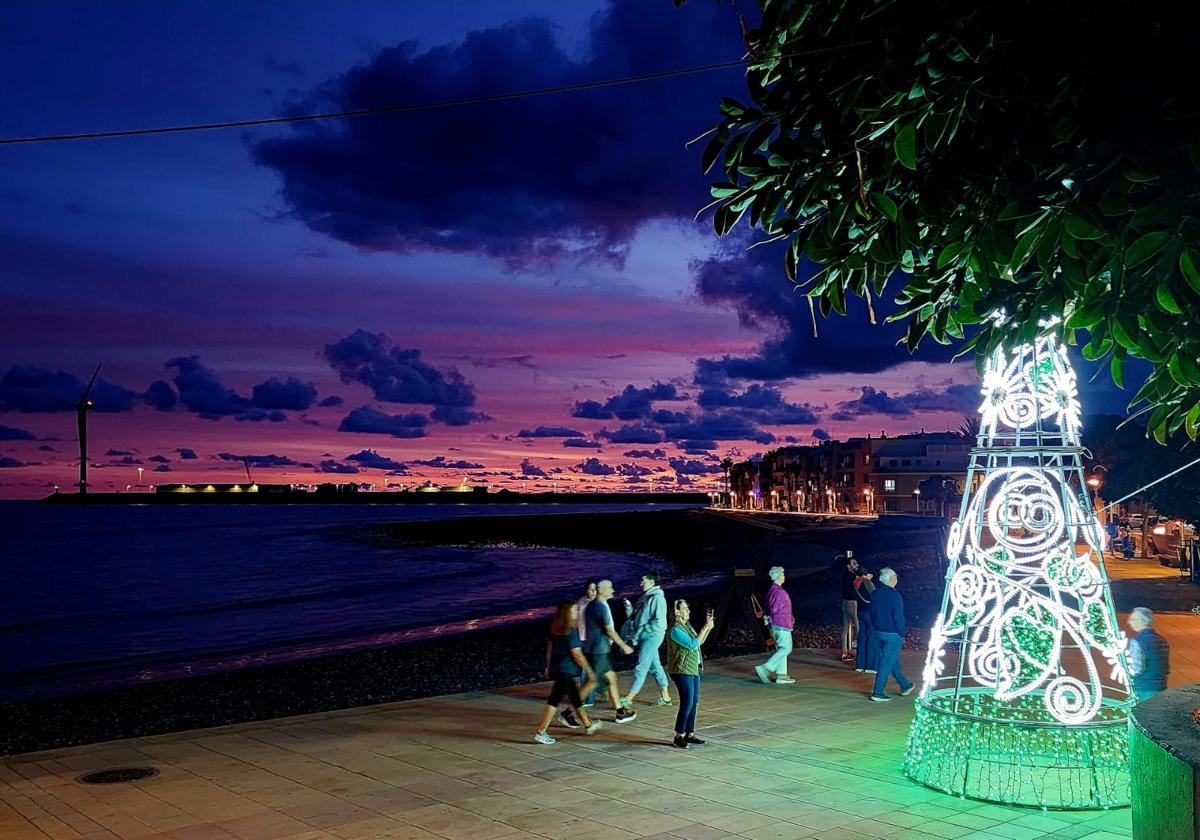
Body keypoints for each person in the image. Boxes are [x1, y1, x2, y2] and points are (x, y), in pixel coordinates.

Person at [534, 600, 603, 744]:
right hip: (566, 670)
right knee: (554, 701)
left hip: (557, 668)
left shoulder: (555, 627)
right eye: (574, 611)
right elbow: (577, 654)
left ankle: (588, 725)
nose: (577, 613)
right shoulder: (570, 631)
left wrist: (548, 666)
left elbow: (550, 649)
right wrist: (589, 671)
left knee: (575, 698)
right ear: (567, 613)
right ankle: (541, 732)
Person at [584, 580, 637, 723]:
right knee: (592, 683)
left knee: (612, 678)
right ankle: (568, 712)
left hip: (597, 649)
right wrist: (623, 645)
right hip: (598, 651)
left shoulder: (592, 605)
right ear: (601, 590)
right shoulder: (600, 607)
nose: (613, 591)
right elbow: (609, 630)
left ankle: (620, 712)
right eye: (610, 588)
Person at [666, 598, 714, 749]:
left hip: (693, 668)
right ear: (677, 612)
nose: (688, 611)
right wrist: (704, 628)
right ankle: (678, 735)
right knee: (687, 701)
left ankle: (690, 734)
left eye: (688, 608)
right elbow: (692, 644)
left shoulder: (686, 625)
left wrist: (708, 629)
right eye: (685, 609)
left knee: (694, 701)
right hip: (682, 669)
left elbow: (698, 643)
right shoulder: (675, 629)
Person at [620, 572, 672, 707]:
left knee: (641, 666)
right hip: (645, 637)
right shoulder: (645, 597)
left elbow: (660, 622)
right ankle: (666, 697)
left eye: (643, 580)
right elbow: (636, 618)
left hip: (652, 636)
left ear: (652, 582)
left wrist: (644, 630)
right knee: (655, 666)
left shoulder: (658, 598)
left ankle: (629, 698)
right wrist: (628, 608)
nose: (640, 583)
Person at [868, 568, 914, 702]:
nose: (896, 579)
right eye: (895, 577)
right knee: (886, 663)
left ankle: (905, 685)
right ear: (890, 579)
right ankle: (877, 692)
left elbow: (872, 612)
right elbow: (898, 617)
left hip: (879, 632)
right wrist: (901, 633)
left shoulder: (875, 593)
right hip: (892, 633)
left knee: (891, 660)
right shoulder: (895, 596)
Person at [754, 566, 795, 685]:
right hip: (781, 623)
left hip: (777, 624)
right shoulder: (779, 592)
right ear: (778, 576)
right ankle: (766, 667)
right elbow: (776, 609)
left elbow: (769, 607)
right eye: (782, 574)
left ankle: (781, 675)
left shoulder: (772, 590)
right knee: (786, 648)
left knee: (781, 648)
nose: (784, 576)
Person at [1126, 607, 1170, 702]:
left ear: (1142, 621)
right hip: (1161, 686)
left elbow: (1137, 669)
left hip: (1143, 688)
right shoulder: (1162, 640)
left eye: (1132, 619)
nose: (1129, 622)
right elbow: (1166, 668)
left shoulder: (1137, 641)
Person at [840, 554, 872, 661]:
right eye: (854, 563)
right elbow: (859, 580)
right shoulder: (851, 575)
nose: (856, 565)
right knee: (858, 626)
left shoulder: (845, 575)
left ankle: (844, 652)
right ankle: (861, 652)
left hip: (844, 602)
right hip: (852, 603)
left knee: (845, 628)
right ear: (848, 566)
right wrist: (865, 577)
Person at [853, 567, 879, 674]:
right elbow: (875, 596)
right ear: (866, 574)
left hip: (860, 612)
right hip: (870, 612)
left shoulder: (856, 583)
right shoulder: (866, 582)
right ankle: (871, 666)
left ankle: (860, 665)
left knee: (862, 637)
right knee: (872, 637)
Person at [576, 580, 598, 707]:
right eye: (591, 589)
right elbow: (576, 620)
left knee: (588, 670)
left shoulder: (599, 604)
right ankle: (590, 695)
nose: (593, 592)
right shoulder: (581, 602)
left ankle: (587, 698)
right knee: (585, 669)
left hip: (593, 642)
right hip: (581, 640)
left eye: (595, 589)